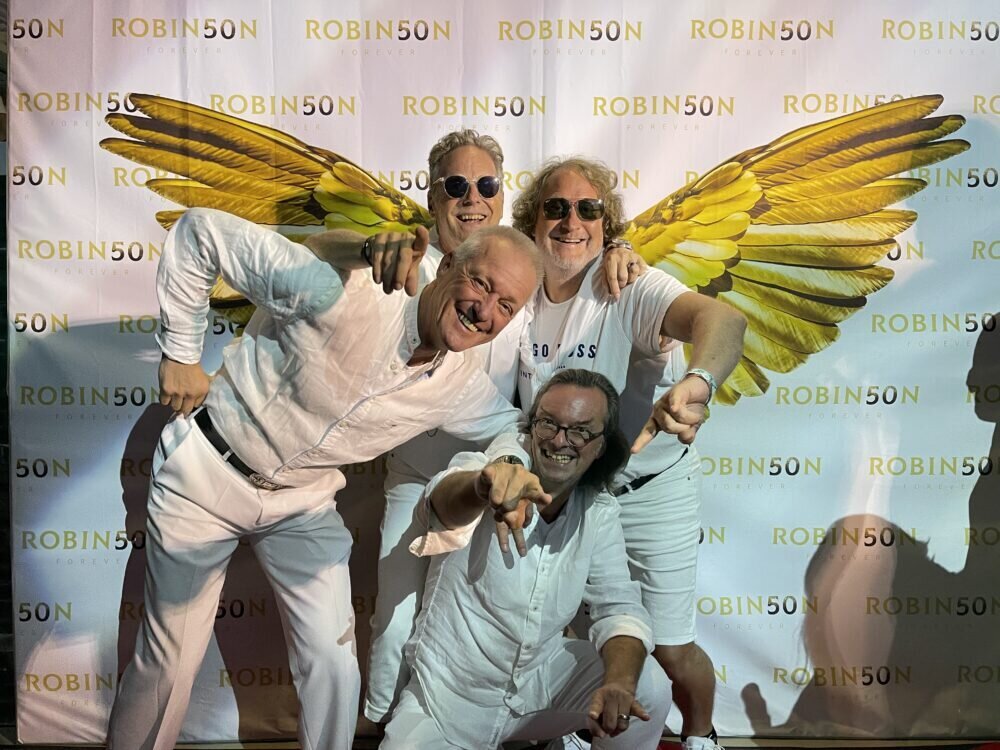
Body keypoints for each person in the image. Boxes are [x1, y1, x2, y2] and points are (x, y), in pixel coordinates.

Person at [106, 207, 542, 750]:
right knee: (168, 663)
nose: (485, 311)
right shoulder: (342, 290)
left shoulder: (458, 382)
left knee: (334, 669)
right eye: (481, 283)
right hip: (208, 472)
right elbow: (199, 232)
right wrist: (180, 351)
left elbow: (511, 427)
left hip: (303, 503)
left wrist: (510, 463)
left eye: (507, 305)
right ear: (448, 263)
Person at [360, 131, 646, 725]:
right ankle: (390, 728)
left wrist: (620, 248)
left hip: (497, 472)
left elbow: (573, 255)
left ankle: (501, 724)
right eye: (457, 186)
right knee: (395, 620)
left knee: (509, 619)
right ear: (433, 195)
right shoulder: (408, 265)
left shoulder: (524, 268)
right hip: (417, 475)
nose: (473, 198)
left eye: (487, 185)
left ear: (501, 195)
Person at [509, 158, 747, 750]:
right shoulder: (516, 290)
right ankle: (579, 730)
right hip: (571, 495)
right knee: (575, 635)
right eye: (555, 208)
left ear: (606, 224)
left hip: (649, 493)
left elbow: (722, 318)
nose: (572, 221)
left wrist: (699, 381)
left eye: (588, 209)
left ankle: (701, 734)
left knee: (668, 646)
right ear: (531, 221)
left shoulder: (628, 286)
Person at [381, 369, 670, 750]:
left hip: (536, 689)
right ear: (531, 426)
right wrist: (483, 487)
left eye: (581, 431)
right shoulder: (485, 470)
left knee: (647, 683)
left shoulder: (597, 511)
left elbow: (619, 607)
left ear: (600, 446)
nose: (560, 440)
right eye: (548, 423)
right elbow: (440, 503)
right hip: (446, 703)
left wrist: (619, 682)